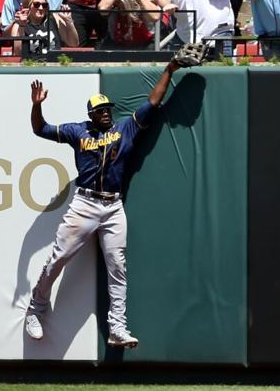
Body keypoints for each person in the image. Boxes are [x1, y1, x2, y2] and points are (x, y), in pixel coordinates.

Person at [25, 50, 184, 344]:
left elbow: (153, 102)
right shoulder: (78, 131)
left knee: (117, 265)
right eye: (100, 110)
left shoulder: (125, 127)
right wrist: (37, 107)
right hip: (85, 203)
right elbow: (40, 129)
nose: (106, 112)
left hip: (113, 205)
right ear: (91, 115)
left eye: (107, 108)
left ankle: (117, 328)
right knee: (59, 258)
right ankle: (35, 309)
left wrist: (170, 69)